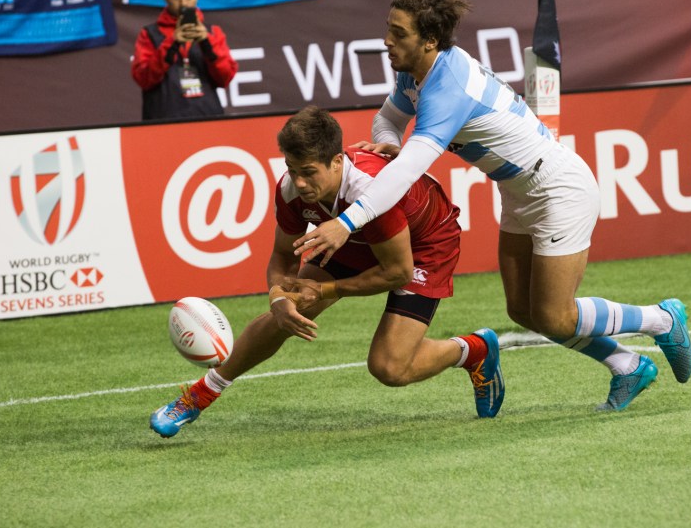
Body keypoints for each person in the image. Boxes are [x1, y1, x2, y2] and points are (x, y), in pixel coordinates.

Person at [297, 0, 691, 412]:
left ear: (429, 40)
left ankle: (661, 319)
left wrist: (347, 222)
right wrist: (391, 145)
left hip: (558, 190)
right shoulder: (416, 70)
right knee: (523, 311)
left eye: (398, 33)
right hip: (520, 194)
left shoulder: (448, 87)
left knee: (555, 316)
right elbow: (387, 119)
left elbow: (410, 171)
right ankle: (627, 365)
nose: (387, 41)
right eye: (388, 29)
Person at [149, 106, 504, 438]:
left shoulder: (371, 192)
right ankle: (200, 395)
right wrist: (277, 298)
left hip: (422, 245)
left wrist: (326, 290)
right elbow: (281, 255)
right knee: (289, 307)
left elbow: (397, 272)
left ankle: (473, 350)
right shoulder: (291, 190)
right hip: (349, 235)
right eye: (292, 169)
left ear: (337, 162)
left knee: (390, 369)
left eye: (308, 173)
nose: (300, 183)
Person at [131, 0, 238, 121]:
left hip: (208, 118)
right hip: (163, 121)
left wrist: (207, 43)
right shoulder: (149, 34)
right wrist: (172, 43)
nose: (183, 3)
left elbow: (225, 78)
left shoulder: (212, 32)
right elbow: (143, 79)